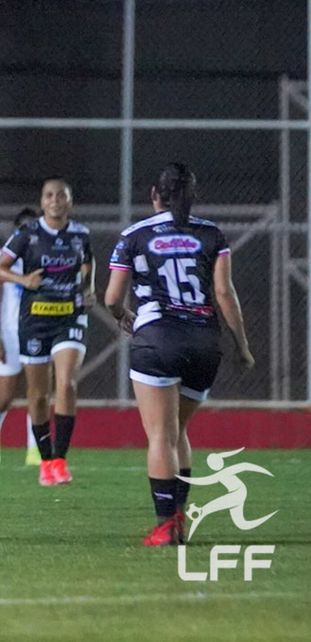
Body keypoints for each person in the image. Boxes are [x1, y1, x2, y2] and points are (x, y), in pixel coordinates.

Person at [104, 162, 254, 546]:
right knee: (177, 431)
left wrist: (124, 317)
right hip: (204, 343)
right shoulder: (211, 234)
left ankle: (165, 525)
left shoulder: (134, 236)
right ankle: (179, 520)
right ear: (193, 195)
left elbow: (111, 298)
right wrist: (241, 344)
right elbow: (224, 293)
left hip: (157, 340)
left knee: (160, 436)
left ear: (155, 194)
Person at [0, 177, 95, 486]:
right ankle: (46, 460)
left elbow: (88, 261)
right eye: (49, 195)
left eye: (61, 195)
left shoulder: (80, 234)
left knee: (66, 383)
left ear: (69, 202)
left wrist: (88, 288)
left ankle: (61, 459)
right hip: (35, 320)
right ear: (42, 202)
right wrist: (24, 281)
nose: (55, 200)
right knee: (38, 396)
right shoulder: (28, 234)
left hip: (70, 317)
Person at [0, 206, 41, 466]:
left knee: (37, 392)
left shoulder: (43, 257)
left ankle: (34, 449)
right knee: (4, 395)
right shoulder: (0, 258)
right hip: (8, 333)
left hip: (37, 331)